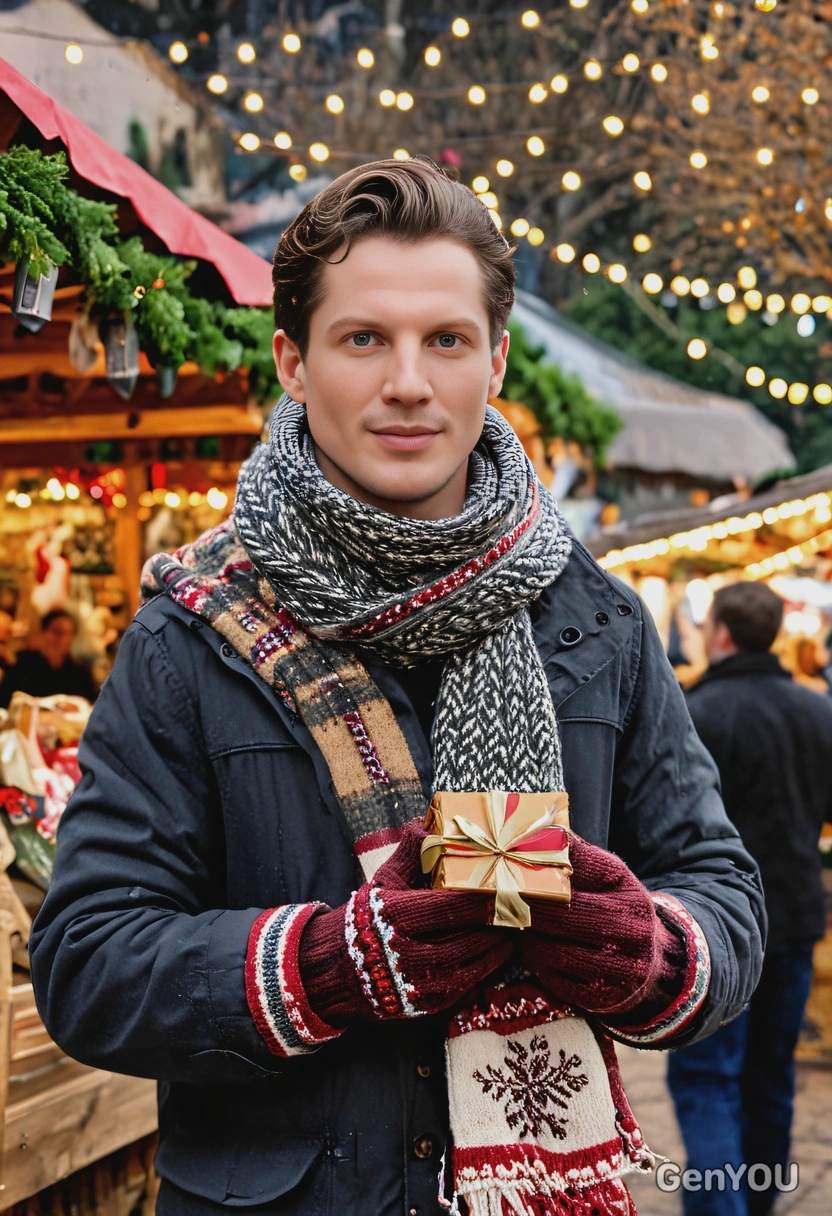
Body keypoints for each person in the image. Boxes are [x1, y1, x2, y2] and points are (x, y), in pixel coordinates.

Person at [30, 159, 764, 1216]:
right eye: (363, 338)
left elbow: (725, 894)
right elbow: (87, 960)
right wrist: (330, 965)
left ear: (497, 359)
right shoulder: (190, 635)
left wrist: (649, 948)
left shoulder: (595, 620)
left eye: (447, 341)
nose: (409, 381)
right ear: (292, 360)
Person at [668, 582, 832, 1216]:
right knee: (771, 1076)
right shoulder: (818, 712)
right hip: (792, 911)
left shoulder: (695, 713)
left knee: (710, 1078)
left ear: (722, 634)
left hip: (714, 923)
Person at [0, 609, 97, 709]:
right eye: (57, 632)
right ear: (42, 632)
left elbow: (92, 706)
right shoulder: (22, 664)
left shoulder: (80, 673)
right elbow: (5, 702)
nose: (62, 639)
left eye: (68, 634)